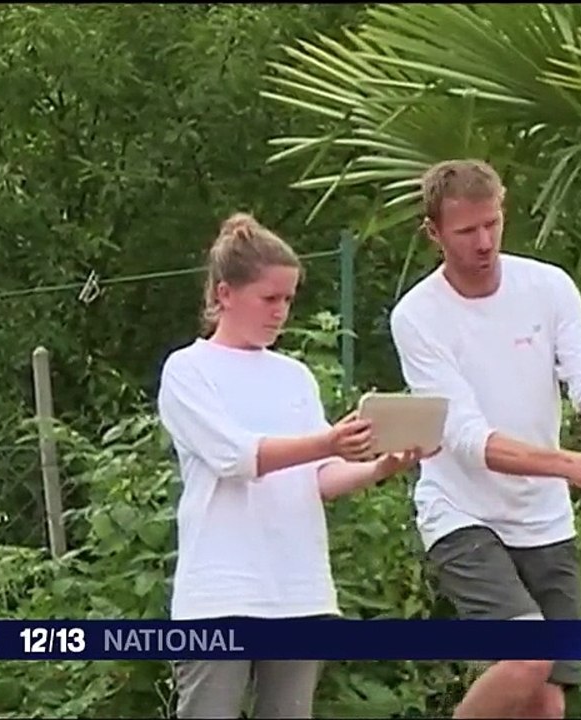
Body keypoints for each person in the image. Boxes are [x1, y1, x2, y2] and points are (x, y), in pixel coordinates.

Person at [388, 159, 581, 719]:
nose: (484, 241)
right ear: (434, 233)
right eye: (467, 230)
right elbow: (465, 437)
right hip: (461, 512)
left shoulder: (549, 286)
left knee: (546, 703)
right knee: (527, 657)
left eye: (492, 223)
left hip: (544, 519)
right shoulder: (416, 316)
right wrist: (566, 464)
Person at [157, 212, 429, 719]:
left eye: (287, 299)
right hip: (220, 594)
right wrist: (329, 440)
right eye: (269, 298)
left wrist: (379, 466)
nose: (280, 312)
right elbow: (236, 456)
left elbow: (317, 478)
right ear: (223, 295)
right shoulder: (187, 370)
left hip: (298, 590)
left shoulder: (294, 376)